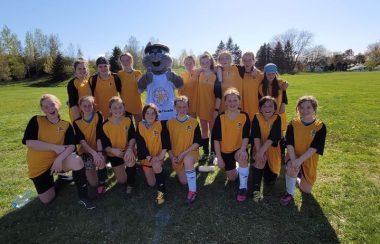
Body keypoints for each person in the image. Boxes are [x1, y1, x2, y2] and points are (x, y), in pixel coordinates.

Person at [22, 94, 94, 209]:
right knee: (47, 200)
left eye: (52, 104)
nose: (50, 108)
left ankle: (84, 197)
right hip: (39, 167)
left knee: (77, 160)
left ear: (58, 105)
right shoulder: (36, 120)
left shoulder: (66, 125)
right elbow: (29, 142)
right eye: (46, 106)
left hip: (58, 162)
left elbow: (71, 147)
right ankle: (62, 180)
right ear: (42, 109)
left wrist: (59, 159)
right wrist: (54, 147)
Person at [280, 96, 327, 206]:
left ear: (314, 109)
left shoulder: (320, 126)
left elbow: (315, 148)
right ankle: (289, 193)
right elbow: (289, 143)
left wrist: (299, 161)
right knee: (292, 167)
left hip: (308, 158)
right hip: (293, 155)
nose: (304, 110)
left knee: (306, 190)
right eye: (301, 107)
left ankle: (296, 178)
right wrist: (294, 160)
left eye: (308, 107)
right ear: (298, 109)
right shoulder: (293, 123)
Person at [212, 88, 250, 202]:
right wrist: (219, 158)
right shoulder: (221, 118)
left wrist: (243, 150)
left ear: (239, 101)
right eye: (229, 101)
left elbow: (246, 136)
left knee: (242, 157)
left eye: (235, 100)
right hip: (225, 151)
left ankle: (243, 187)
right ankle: (238, 168)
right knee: (232, 178)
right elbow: (216, 140)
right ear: (225, 102)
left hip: (239, 148)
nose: (232, 103)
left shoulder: (244, 116)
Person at [166, 96, 201, 203]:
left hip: (190, 152)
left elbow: (197, 142)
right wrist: (172, 157)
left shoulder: (194, 122)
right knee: (184, 181)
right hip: (176, 156)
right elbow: (167, 144)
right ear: (175, 108)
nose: (182, 109)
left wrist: (183, 154)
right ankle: (187, 171)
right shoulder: (169, 123)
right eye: (179, 107)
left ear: (188, 108)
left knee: (187, 160)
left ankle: (192, 191)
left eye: (184, 107)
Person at [100, 96, 137, 194]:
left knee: (130, 161)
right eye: (114, 108)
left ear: (124, 108)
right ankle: (126, 167)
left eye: (120, 107)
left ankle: (131, 184)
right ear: (110, 110)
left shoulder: (128, 120)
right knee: (121, 181)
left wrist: (129, 149)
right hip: (114, 154)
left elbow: (132, 137)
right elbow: (105, 145)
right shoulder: (105, 125)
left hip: (127, 150)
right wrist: (113, 151)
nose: (118, 110)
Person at [72, 96, 108, 195]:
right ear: (80, 107)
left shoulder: (98, 115)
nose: (87, 108)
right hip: (86, 151)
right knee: (93, 183)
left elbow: (99, 135)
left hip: (99, 147)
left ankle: (102, 182)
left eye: (90, 105)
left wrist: (99, 153)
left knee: (101, 162)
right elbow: (82, 141)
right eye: (84, 106)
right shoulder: (77, 122)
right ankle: (82, 171)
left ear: (93, 106)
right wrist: (93, 154)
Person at [136, 103, 170, 204]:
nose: (150, 116)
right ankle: (157, 171)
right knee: (151, 183)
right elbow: (140, 144)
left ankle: (162, 192)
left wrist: (160, 156)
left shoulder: (160, 125)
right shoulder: (140, 125)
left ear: (156, 115)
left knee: (156, 166)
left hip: (158, 156)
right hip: (146, 157)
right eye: (147, 113)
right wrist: (149, 157)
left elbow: (166, 142)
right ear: (143, 115)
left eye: (152, 113)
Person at [250, 96, 282, 202]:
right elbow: (256, 136)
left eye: (270, 106)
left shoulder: (277, 118)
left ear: (274, 108)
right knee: (259, 162)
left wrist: (261, 152)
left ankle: (263, 171)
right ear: (260, 108)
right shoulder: (257, 117)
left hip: (272, 149)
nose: (267, 108)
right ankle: (256, 190)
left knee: (270, 179)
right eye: (264, 106)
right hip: (258, 146)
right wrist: (259, 153)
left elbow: (273, 137)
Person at [197, 52, 222, 163]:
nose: (205, 64)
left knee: (213, 132)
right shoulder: (200, 75)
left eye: (207, 62)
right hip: (201, 108)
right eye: (202, 62)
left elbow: (219, 95)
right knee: (204, 131)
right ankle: (206, 153)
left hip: (212, 109)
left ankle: (213, 153)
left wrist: (216, 110)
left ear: (211, 62)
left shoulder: (215, 75)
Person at [118, 53, 143, 122]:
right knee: (127, 128)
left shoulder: (138, 73)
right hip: (125, 106)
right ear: (121, 62)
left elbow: (142, 88)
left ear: (131, 60)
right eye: (123, 61)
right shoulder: (119, 74)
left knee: (139, 127)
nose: (125, 62)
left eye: (127, 60)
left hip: (137, 104)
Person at [239, 52, 264, 122]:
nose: (247, 63)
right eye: (245, 60)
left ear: (254, 61)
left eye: (250, 60)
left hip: (254, 107)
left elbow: (272, 80)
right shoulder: (238, 72)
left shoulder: (259, 74)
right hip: (240, 106)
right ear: (242, 61)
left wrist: (284, 83)